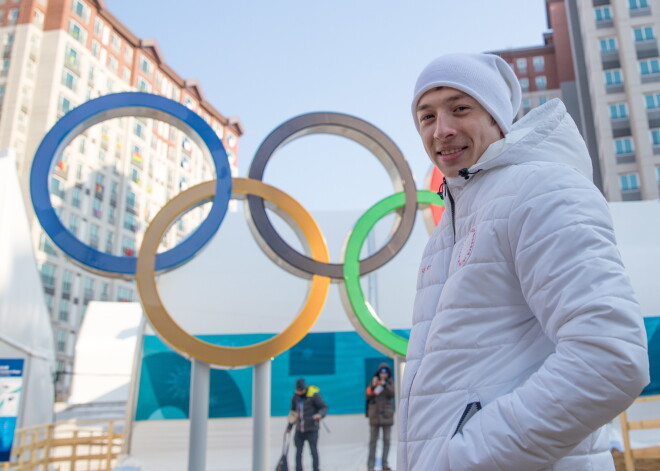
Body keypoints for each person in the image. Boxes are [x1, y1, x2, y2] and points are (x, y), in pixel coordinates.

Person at [397, 52, 650, 470]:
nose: (441, 130)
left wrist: (461, 459)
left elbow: (610, 357)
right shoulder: (448, 231)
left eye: (460, 109)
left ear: (497, 118)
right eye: (426, 117)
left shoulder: (540, 189)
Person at [287, 378, 327, 471]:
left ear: (304, 388)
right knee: (298, 452)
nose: (300, 392)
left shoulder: (314, 396)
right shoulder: (295, 398)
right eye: (298, 391)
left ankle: (316, 469)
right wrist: (289, 426)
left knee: (313, 451)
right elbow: (293, 413)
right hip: (299, 429)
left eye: (301, 390)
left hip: (312, 428)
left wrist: (320, 414)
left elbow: (324, 407)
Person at [365, 363, 394, 471]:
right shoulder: (373, 382)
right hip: (375, 417)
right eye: (381, 372)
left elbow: (394, 393)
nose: (383, 374)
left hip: (387, 416)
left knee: (386, 441)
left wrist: (385, 385)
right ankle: (370, 466)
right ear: (378, 373)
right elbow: (367, 395)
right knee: (373, 442)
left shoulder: (390, 383)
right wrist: (373, 385)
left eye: (385, 372)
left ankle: (384, 465)